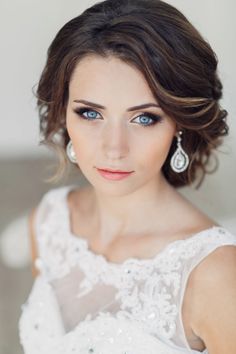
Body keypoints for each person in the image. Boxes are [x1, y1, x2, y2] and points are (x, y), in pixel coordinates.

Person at [19, 0, 236, 353]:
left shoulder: (216, 275)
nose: (113, 148)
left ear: (179, 122)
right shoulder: (49, 223)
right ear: (63, 113)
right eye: (90, 113)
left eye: (144, 118)